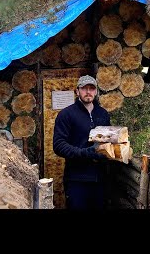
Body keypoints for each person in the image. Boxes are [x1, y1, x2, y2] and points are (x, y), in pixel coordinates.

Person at [53, 75, 111, 209]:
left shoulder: (103, 114)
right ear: (77, 91)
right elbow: (58, 145)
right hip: (77, 179)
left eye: (91, 88)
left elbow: (108, 140)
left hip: (100, 178)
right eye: (84, 88)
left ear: (96, 91)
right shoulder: (66, 115)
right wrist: (85, 153)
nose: (88, 92)